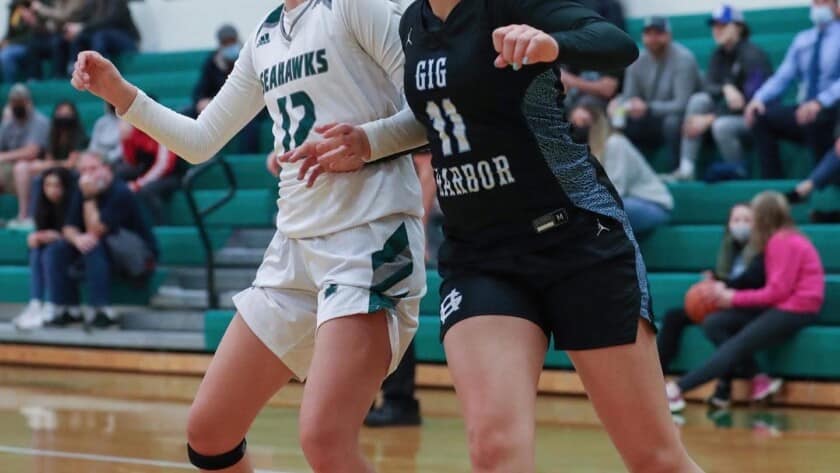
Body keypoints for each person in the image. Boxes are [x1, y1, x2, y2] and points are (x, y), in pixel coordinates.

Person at [286, 1, 703, 471]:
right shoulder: (411, 25)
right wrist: (368, 143)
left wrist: (552, 44)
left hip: (578, 241)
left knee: (655, 459)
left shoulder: (509, 4)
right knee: (494, 451)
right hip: (480, 256)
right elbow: (437, 118)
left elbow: (616, 45)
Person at [71, 0, 429, 471]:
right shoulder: (264, 36)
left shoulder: (354, 6)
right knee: (210, 432)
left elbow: (433, 109)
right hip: (294, 248)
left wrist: (367, 143)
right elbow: (200, 140)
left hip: (370, 237)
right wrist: (122, 94)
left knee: (324, 437)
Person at [667, 192, 824, 412]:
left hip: (797, 308)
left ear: (763, 218)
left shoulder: (782, 242)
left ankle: (677, 389)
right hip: (785, 304)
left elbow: (776, 293)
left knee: (738, 344)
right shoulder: (783, 238)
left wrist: (732, 298)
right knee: (715, 323)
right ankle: (757, 377)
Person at [657, 203, 765, 409]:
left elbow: (751, 281)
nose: (741, 224)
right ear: (729, 224)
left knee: (716, 324)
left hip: (745, 303)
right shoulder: (729, 247)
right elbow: (729, 278)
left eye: (746, 220)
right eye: (736, 220)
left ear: (756, 224)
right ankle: (656, 378)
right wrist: (714, 279)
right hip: (724, 300)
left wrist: (721, 286)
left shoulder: (761, 251)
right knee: (674, 315)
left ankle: (725, 386)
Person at [46, 151, 157, 328]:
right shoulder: (81, 190)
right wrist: (77, 240)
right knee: (58, 249)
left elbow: (96, 229)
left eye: (93, 168)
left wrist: (89, 197)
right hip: (104, 250)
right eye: (83, 170)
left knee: (93, 245)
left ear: (107, 169)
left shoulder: (120, 192)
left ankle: (101, 310)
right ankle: (67, 308)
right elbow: (68, 227)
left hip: (136, 255)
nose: (88, 174)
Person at [675, 5, 773, 181]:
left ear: (739, 27)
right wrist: (725, 88)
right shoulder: (718, 54)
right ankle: (686, 167)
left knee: (721, 126)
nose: (717, 30)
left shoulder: (753, 55)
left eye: (723, 25)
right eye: (715, 25)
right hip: (725, 111)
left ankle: (738, 171)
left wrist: (709, 119)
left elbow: (751, 103)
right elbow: (708, 86)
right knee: (699, 100)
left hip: (757, 119)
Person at [745, 0, 840, 179]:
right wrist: (759, 98)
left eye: (825, 1)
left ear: (836, 6)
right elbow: (783, 76)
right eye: (816, 2)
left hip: (832, 110)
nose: (819, 6)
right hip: (805, 108)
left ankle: (822, 184)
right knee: (761, 118)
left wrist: (820, 102)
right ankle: (772, 185)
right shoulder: (803, 39)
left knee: (817, 117)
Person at [609, 16, 703, 169]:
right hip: (649, 116)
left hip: (681, 116)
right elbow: (629, 97)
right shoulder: (637, 60)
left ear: (668, 35)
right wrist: (619, 104)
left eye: (658, 33)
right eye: (648, 33)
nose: (653, 38)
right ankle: (632, 172)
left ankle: (677, 170)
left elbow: (682, 103)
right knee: (619, 119)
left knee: (671, 123)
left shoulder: (683, 59)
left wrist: (647, 107)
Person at [571, 99, 674, 237]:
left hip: (652, 205)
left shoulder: (615, 143)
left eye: (584, 122)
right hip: (623, 204)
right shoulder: (583, 153)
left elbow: (615, 191)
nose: (578, 127)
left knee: (600, 213)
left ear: (596, 124)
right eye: (574, 123)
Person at [12, 166, 75, 330]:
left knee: (51, 251)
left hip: (76, 250)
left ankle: (52, 304)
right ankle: (35, 304)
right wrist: (37, 237)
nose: (52, 190)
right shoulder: (41, 204)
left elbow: (78, 232)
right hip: (54, 248)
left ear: (65, 186)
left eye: (57, 185)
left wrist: (57, 236)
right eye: (48, 185)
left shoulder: (74, 202)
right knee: (37, 250)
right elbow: (42, 232)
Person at [11, 100, 87, 228]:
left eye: (67, 113)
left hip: (73, 172)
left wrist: (53, 164)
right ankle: (29, 217)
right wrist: (56, 164)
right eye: (60, 113)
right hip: (55, 169)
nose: (63, 117)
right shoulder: (52, 134)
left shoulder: (79, 135)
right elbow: (49, 161)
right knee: (39, 179)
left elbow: (72, 164)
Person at [189, 24, 263, 154]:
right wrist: (201, 101)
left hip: (245, 107)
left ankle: (244, 163)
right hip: (218, 107)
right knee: (186, 114)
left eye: (231, 42)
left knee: (250, 125)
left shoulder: (249, 57)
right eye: (225, 43)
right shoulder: (212, 62)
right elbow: (199, 91)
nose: (229, 46)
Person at [0, 84, 50, 227]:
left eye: (20, 101)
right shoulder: (8, 123)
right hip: (9, 170)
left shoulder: (39, 121)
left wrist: (4, 156)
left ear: (28, 102)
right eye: (14, 102)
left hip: (35, 169)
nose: (17, 105)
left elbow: (32, 152)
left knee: (21, 167)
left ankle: (24, 216)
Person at [117, 123, 183, 224]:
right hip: (147, 171)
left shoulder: (162, 131)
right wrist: (125, 141)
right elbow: (132, 161)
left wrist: (138, 184)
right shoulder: (135, 131)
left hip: (172, 175)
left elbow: (163, 166)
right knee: (117, 175)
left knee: (147, 191)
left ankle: (161, 226)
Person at [62, 0, 139, 76]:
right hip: (104, 39)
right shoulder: (92, 3)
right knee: (79, 38)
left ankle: (102, 70)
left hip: (127, 40)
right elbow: (81, 18)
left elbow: (109, 21)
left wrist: (82, 27)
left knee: (100, 36)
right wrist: (71, 26)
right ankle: (75, 70)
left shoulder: (118, 1)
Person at [1, 0, 40, 83]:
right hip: (14, 44)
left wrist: (10, 42)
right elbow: (9, 32)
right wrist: (4, 41)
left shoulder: (37, 6)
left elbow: (33, 35)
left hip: (28, 45)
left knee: (6, 55)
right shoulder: (14, 7)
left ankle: (10, 86)